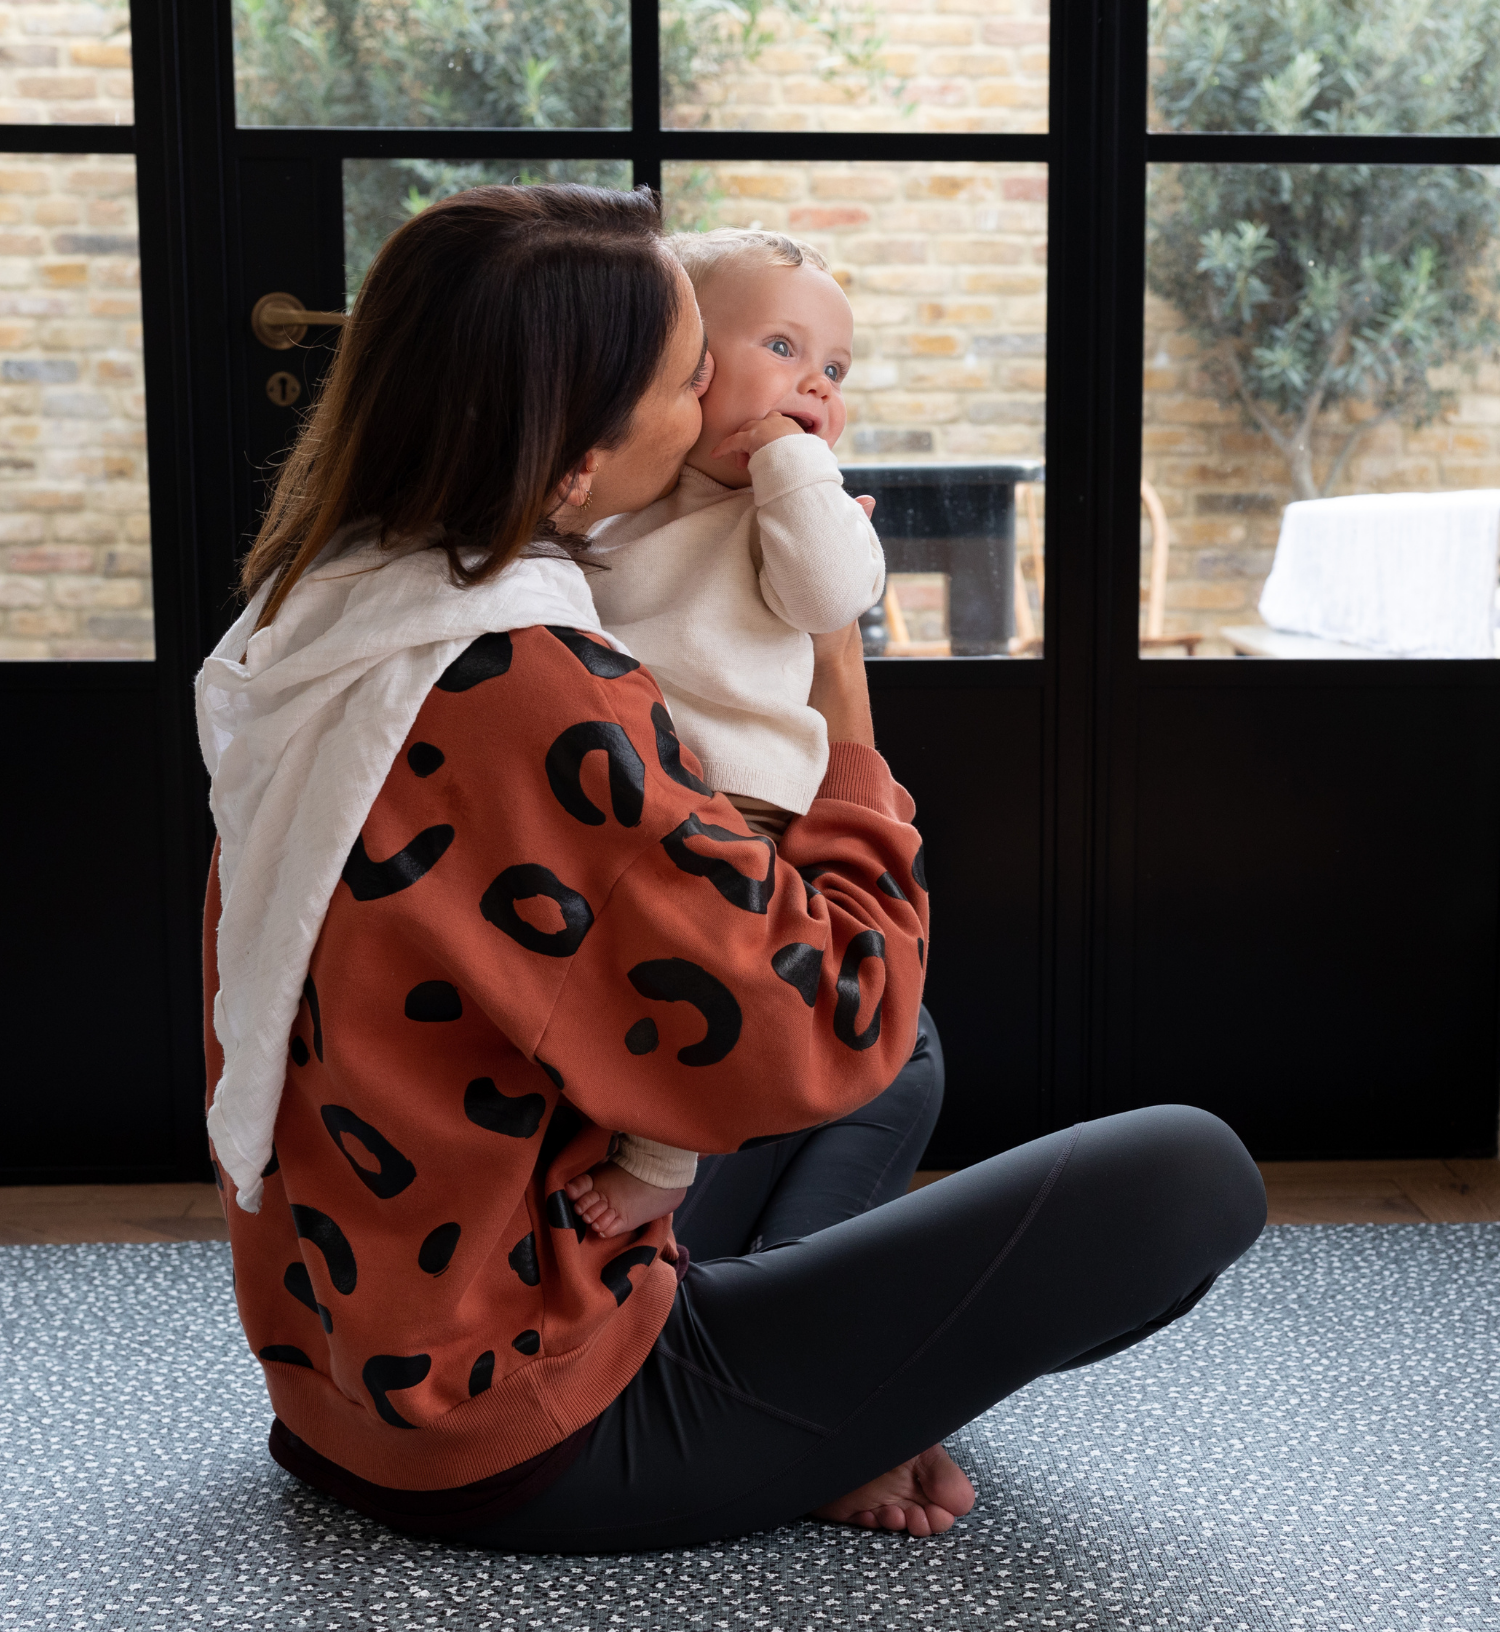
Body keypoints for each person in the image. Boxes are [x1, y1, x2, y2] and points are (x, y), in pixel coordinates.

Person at [197, 182, 1266, 1557]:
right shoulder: (533, 688)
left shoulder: (341, 605)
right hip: (521, 1421)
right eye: (687, 376)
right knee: (1189, 1175)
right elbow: (839, 1003)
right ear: (576, 455)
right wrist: (835, 661)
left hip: (349, 1372)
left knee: (912, 1061)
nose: (720, 402)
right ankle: (819, 1418)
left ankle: (809, 1385)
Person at [567, 227, 887, 1243]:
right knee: (615, 965)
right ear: (688, 365)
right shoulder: (634, 493)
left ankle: (666, 1157)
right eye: (783, 350)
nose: (816, 385)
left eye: (834, 369)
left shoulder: (787, 505)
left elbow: (836, 598)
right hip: (621, 778)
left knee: (699, 974)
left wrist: (798, 469)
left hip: (740, 795)